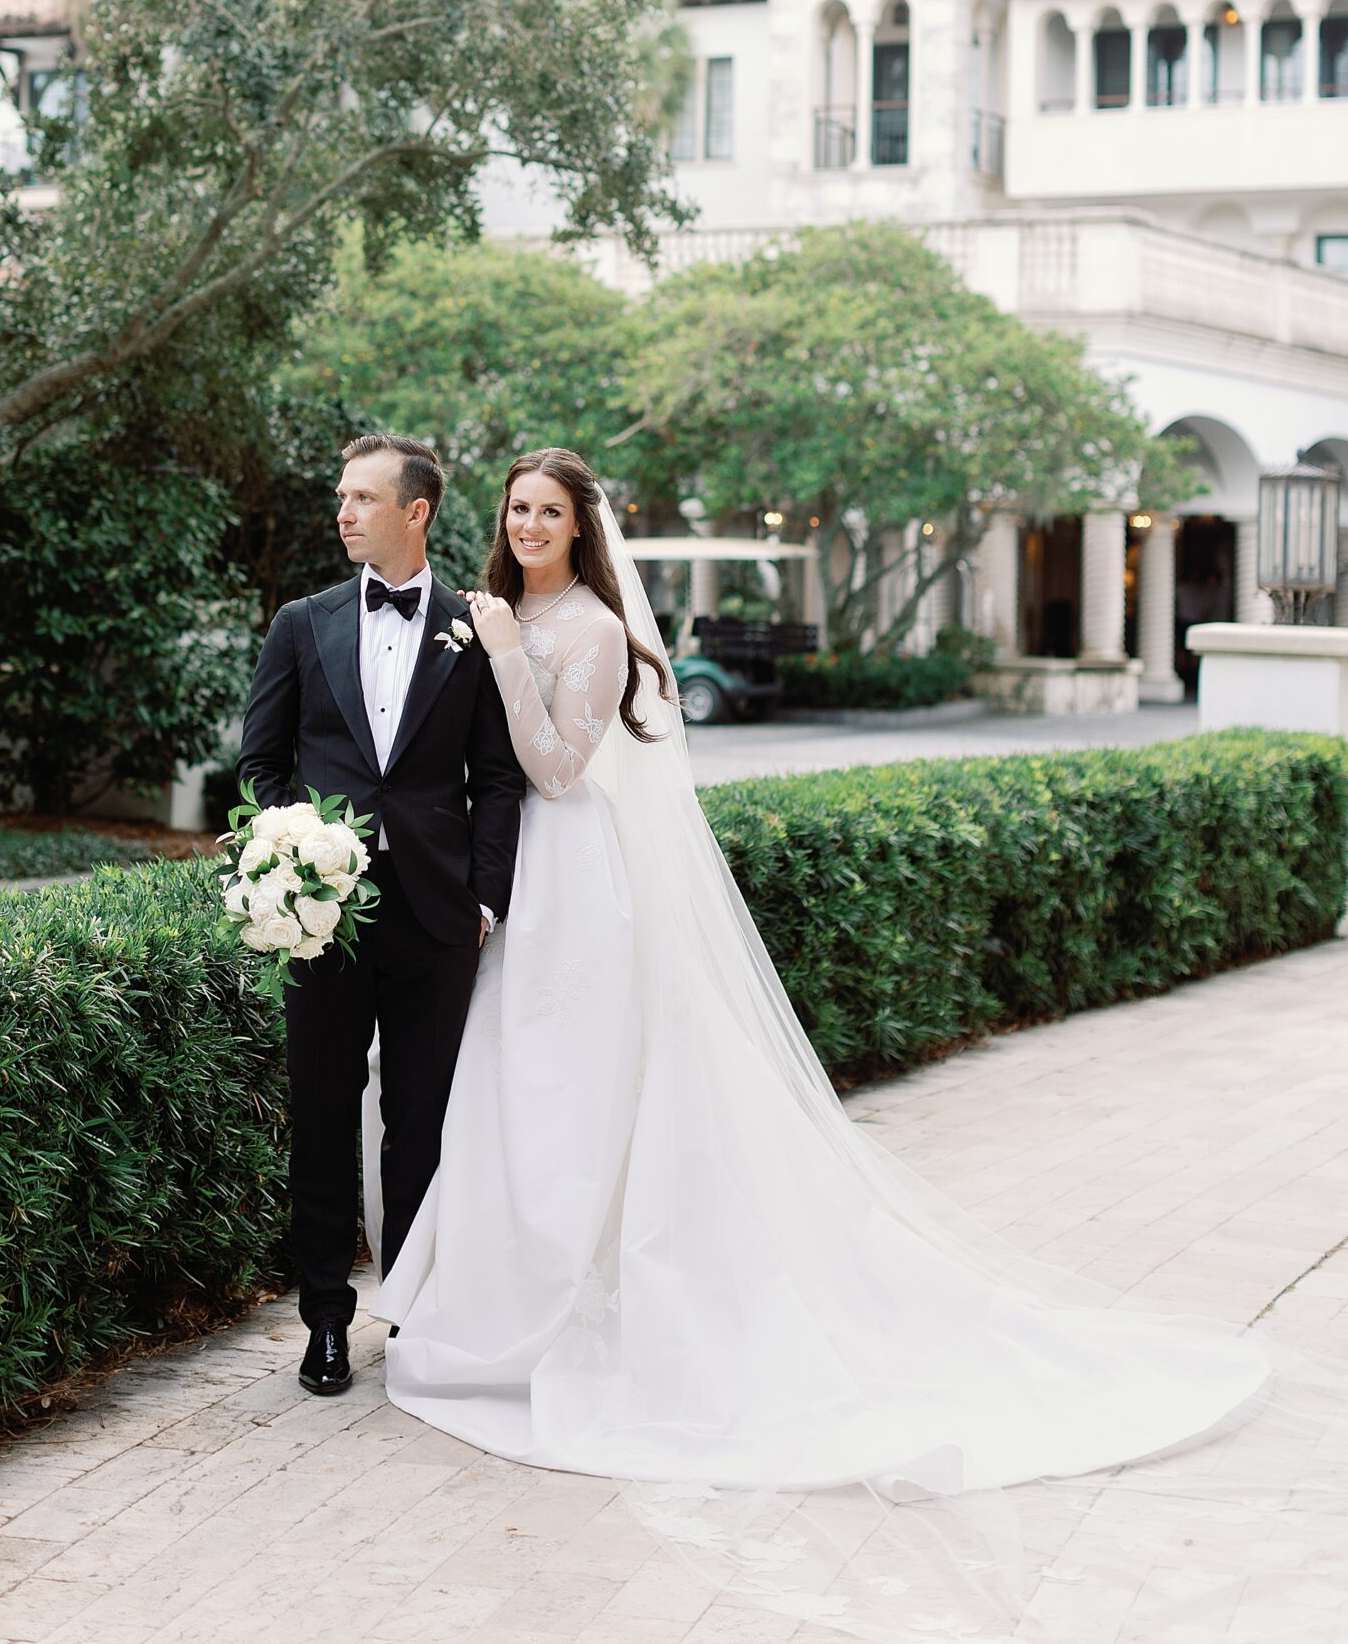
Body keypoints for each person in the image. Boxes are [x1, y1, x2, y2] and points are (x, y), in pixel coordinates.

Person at [373, 448, 1337, 1642]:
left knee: (576, 1100)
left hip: (584, 890)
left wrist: (513, 659)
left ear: (583, 530)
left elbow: (563, 768)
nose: (527, 525)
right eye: (517, 508)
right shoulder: (493, 612)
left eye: (549, 513)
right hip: (516, 896)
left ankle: (576, 1310)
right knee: (511, 1097)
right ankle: (491, 1302)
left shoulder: (587, 634)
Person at [237, 433, 524, 1398]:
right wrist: (288, 865)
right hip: (325, 921)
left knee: (422, 1124)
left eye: (364, 498)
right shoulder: (300, 623)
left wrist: (485, 898)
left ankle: (414, 1310)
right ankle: (325, 1318)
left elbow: (495, 778)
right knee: (320, 1117)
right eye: (340, 496)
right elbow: (261, 764)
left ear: (417, 512)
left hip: (438, 917)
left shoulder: (472, 629)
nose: (344, 513)